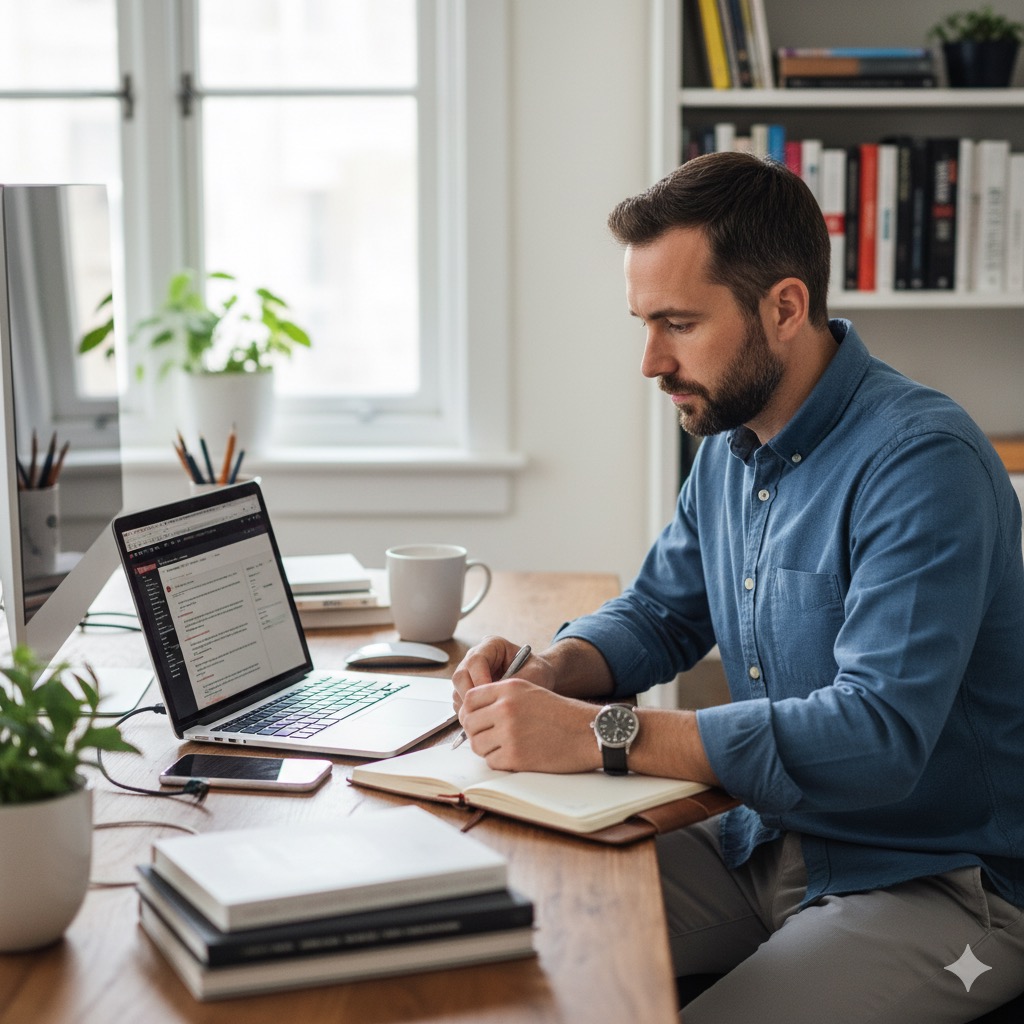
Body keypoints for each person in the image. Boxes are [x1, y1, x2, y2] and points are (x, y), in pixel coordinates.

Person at [451, 151, 1024, 1023]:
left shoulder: (921, 461)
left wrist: (603, 734)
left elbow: (875, 735)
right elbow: (658, 608)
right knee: (486, 941)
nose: (649, 361)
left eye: (677, 323)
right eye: (642, 323)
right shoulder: (730, 443)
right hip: (766, 839)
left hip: (939, 884)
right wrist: (558, 672)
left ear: (785, 307)